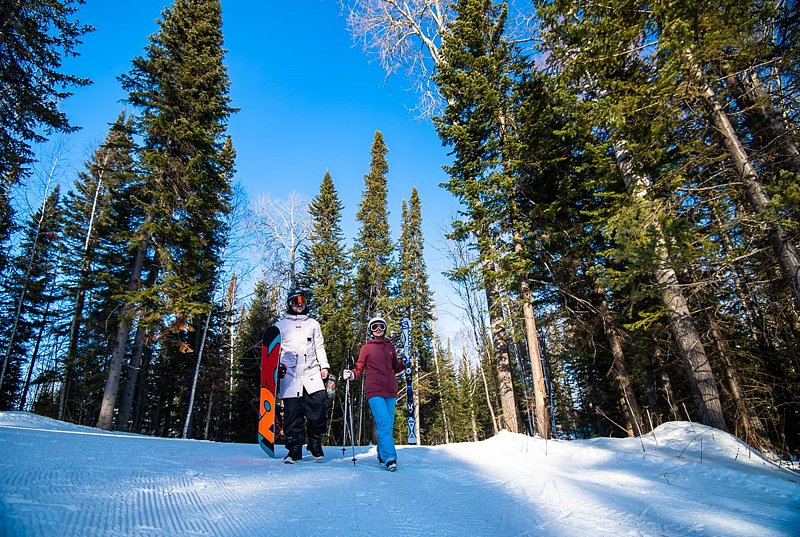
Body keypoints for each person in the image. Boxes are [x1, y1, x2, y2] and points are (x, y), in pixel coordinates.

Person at [276, 288, 333, 463]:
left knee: (318, 407)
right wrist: (275, 368)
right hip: (290, 373)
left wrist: (324, 366)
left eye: (302, 301)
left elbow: (319, 346)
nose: (299, 304)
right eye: (295, 301)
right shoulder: (280, 326)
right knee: (293, 413)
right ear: (290, 303)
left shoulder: (313, 324)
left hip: (311, 371)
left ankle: (315, 443)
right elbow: (274, 350)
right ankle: (294, 449)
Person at [342, 316, 405, 471]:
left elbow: (395, 367)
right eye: (374, 327)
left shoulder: (390, 347)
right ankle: (390, 457)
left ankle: (382, 454)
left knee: (389, 424)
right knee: (383, 422)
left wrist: (404, 364)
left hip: (390, 389)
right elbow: (359, 367)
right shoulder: (366, 348)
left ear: (385, 329)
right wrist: (351, 374)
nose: (378, 329)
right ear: (370, 330)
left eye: (381, 327)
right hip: (374, 390)